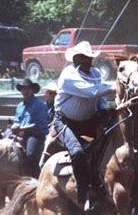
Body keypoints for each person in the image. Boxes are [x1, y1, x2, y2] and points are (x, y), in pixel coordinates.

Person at [53, 41, 115, 211]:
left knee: (107, 147)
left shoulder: (95, 73)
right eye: (85, 58)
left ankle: (102, 185)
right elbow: (91, 92)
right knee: (78, 152)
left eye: (90, 58)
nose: (89, 61)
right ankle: (82, 192)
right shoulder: (69, 74)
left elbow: (99, 97)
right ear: (77, 59)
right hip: (66, 122)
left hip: (89, 121)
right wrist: (117, 86)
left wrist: (102, 109)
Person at [10, 79, 49, 178]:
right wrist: (14, 126)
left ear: (32, 90)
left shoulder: (39, 105)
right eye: (23, 89)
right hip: (20, 133)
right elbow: (17, 121)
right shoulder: (20, 106)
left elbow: (39, 124)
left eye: (28, 89)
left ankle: (35, 177)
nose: (25, 91)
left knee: (30, 155)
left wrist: (21, 128)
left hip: (35, 134)